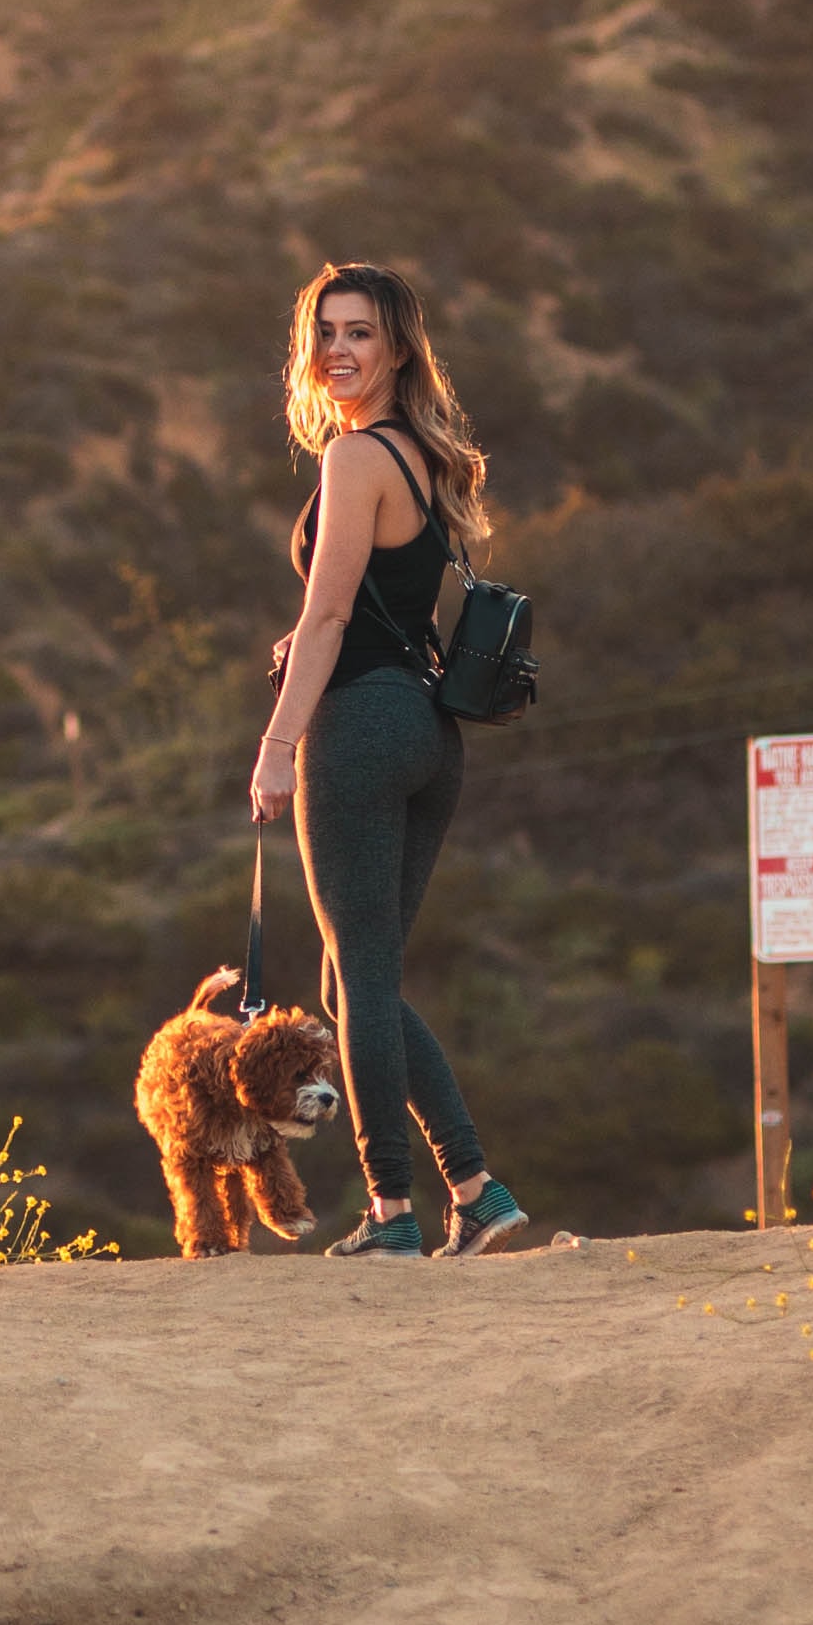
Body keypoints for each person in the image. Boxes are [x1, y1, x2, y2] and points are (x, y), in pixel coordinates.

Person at [246, 256, 547, 1258]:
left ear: (398, 346)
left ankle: (390, 1212)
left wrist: (278, 743)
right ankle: (477, 1190)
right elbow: (381, 610)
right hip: (428, 734)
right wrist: (313, 645)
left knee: (361, 983)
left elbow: (331, 612)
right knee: (356, 983)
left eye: (359, 332)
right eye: (325, 331)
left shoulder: (354, 460)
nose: (337, 349)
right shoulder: (425, 456)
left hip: (361, 735)